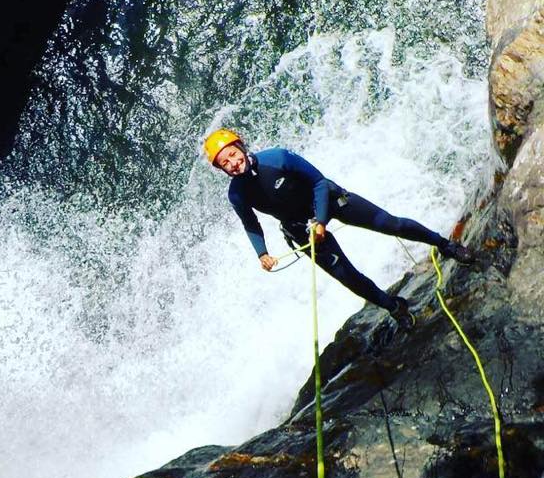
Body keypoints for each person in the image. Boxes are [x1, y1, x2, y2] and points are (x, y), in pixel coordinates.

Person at [203, 128, 475, 329]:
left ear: (240, 146)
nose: (232, 164)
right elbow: (251, 224)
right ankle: (394, 307)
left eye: (232, 155)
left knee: (391, 224)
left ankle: (445, 245)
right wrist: (262, 253)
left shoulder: (278, 158)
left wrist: (321, 220)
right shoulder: (237, 194)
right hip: (301, 230)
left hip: (331, 202)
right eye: (224, 163)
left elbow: (318, 182)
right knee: (348, 277)